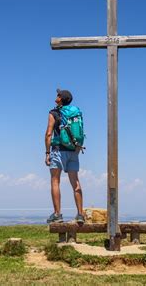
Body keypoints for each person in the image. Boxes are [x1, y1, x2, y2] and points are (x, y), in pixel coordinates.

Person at [45, 89, 84, 224]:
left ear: (60, 98)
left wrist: (47, 153)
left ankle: (57, 214)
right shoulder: (75, 112)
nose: (56, 96)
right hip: (74, 150)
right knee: (75, 182)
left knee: (55, 181)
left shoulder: (54, 113)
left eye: (58, 95)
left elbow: (49, 134)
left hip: (58, 150)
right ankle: (80, 214)